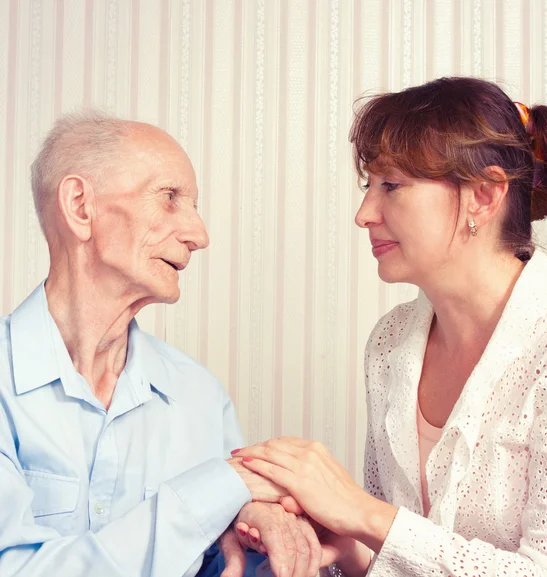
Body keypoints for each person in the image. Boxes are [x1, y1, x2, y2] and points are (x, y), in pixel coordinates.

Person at [230, 77, 547, 576]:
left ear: (484, 196)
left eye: (391, 186)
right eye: (369, 186)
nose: (364, 214)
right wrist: (341, 542)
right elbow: (402, 558)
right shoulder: (390, 342)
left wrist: (361, 512)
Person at [0, 112, 321, 577]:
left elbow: (227, 563)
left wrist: (256, 533)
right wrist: (220, 489)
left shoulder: (200, 396)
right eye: (169, 198)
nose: (199, 235)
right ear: (80, 206)